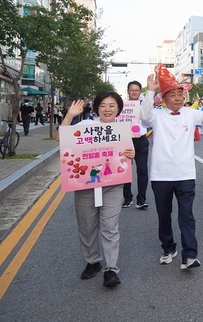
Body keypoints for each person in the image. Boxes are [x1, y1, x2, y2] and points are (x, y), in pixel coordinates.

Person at [141, 64, 203, 270]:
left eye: (180, 94)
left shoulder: (190, 114)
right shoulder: (156, 115)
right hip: (161, 176)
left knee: (187, 216)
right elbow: (144, 116)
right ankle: (168, 248)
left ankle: (190, 255)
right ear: (164, 98)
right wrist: (150, 91)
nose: (177, 98)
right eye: (172, 95)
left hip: (185, 174)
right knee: (164, 215)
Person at [57, 93, 136, 288]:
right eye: (103, 105)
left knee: (110, 228)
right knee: (86, 226)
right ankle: (92, 261)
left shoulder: (121, 130)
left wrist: (131, 154)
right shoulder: (84, 126)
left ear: (118, 109)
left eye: (112, 105)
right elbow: (61, 138)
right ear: (96, 108)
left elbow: (127, 156)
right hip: (85, 186)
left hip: (112, 186)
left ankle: (111, 269)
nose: (107, 109)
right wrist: (69, 115)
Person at [122, 81, 150, 209]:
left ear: (140, 91)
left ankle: (141, 199)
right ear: (127, 91)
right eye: (131, 90)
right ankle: (127, 198)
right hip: (126, 140)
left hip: (141, 140)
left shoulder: (145, 105)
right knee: (126, 170)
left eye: (137, 90)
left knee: (142, 170)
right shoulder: (121, 105)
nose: (134, 92)